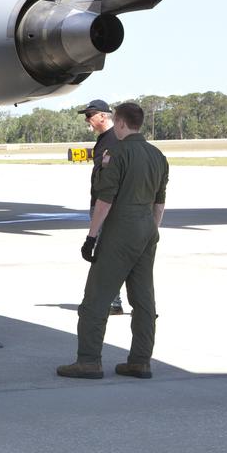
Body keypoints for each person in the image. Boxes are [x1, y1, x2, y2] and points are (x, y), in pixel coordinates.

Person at [58, 102, 169, 380]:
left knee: (97, 297)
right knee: (143, 299)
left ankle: (89, 361)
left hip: (121, 229)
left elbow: (105, 200)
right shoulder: (157, 155)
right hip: (147, 229)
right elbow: (160, 203)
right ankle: (140, 361)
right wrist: (150, 233)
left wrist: (91, 237)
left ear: (119, 123)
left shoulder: (116, 153)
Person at [79, 100, 126, 316]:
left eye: (90, 115)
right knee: (107, 254)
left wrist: (102, 207)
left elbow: (112, 178)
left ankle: (111, 301)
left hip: (106, 205)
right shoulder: (104, 139)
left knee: (106, 254)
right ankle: (112, 300)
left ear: (103, 116)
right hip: (100, 203)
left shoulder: (114, 140)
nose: (87, 119)